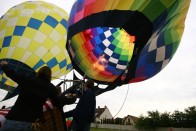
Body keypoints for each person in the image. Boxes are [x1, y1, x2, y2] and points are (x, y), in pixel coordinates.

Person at [0, 61, 61, 131]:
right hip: (28, 123)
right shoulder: (51, 88)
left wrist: (5, 66)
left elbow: (12, 74)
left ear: (39, 72)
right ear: (50, 75)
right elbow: (57, 103)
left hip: (12, 119)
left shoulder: (28, 80)